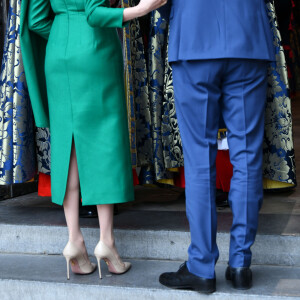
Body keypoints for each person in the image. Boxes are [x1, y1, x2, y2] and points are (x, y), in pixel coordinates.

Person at [20, 0, 166, 280]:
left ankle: (74, 239)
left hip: (59, 52)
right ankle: (106, 242)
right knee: (104, 145)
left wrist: (67, 34)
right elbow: (94, 12)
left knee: (68, 146)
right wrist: (140, 10)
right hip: (94, 49)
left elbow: (36, 20)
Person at [159, 0, 275, 293]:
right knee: (247, 157)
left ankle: (201, 266)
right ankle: (240, 264)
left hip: (194, 36)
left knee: (199, 159)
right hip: (248, 37)